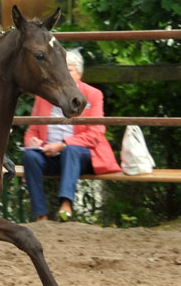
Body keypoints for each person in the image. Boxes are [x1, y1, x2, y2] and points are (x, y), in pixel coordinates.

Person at [22, 49, 120, 222]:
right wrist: (32, 140)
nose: (64, 74)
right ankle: (40, 215)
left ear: (79, 73)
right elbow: (32, 130)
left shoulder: (93, 95)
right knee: (30, 157)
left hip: (81, 156)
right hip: (49, 155)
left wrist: (63, 144)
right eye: (61, 69)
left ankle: (66, 205)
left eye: (70, 70)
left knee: (71, 150)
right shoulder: (44, 97)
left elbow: (96, 134)